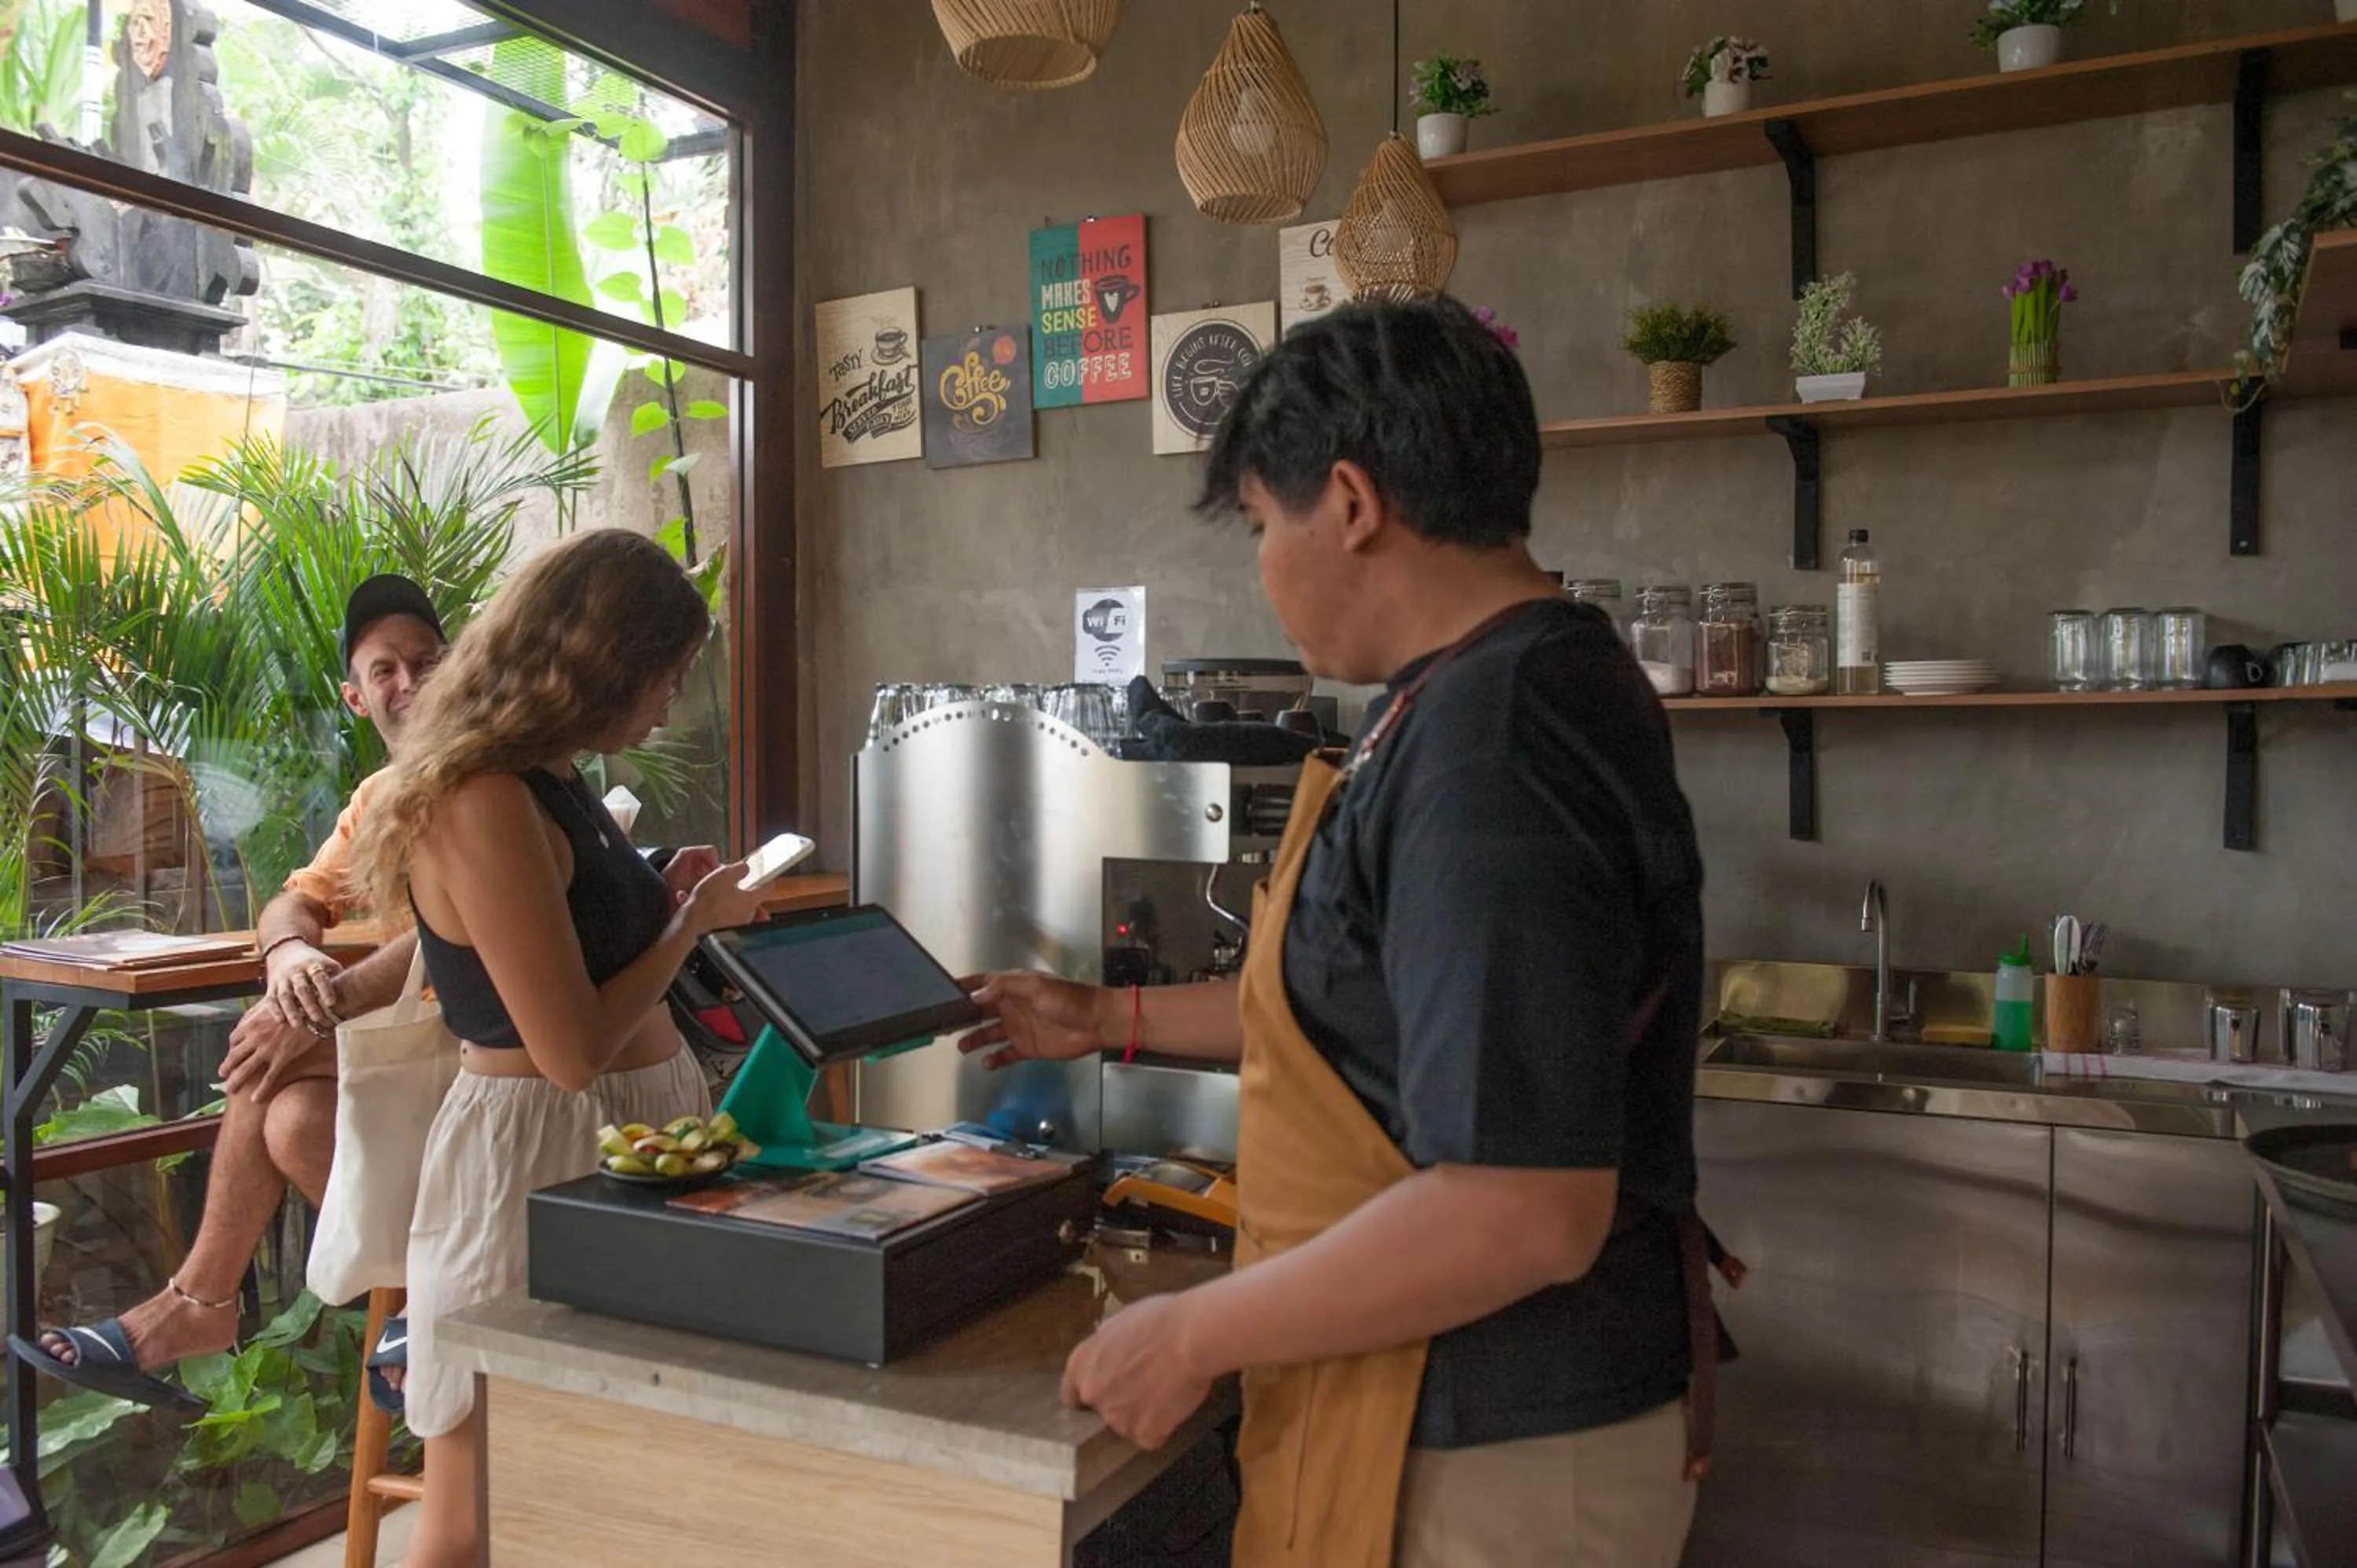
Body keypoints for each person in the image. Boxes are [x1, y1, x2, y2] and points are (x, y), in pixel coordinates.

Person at [963, 296, 1722, 1568]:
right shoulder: (1473, 694)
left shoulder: (1498, 736)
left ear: (1355, 505)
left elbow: (1522, 1210)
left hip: (1497, 1448)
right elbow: (1358, 1003)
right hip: (1446, 1409)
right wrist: (1108, 1018)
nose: (1262, 568)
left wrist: (1194, 1334)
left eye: (1264, 524)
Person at [348, 528, 771, 1568]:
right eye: (665, 678)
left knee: (610, 1476)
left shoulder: (556, 776)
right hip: (533, 1155)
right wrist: (691, 926)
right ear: (604, 662)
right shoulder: (483, 795)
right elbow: (569, 1044)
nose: (671, 704)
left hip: (622, 1137)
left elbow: (575, 953)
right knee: (471, 1498)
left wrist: (663, 899)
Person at [15, 576, 448, 1409]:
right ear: (357, 699)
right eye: (386, 670)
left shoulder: (484, 781)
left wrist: (321, 1009)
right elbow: (297, 897)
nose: (409, 684)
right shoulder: (380, 799)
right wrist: (288, 957)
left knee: (265, 1046)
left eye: (425, 662)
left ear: (458, 666)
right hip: (404, 1064)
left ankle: (201, 1304)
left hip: (483, 1059)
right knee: (288, 1117)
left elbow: (456, 932)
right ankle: (431, 1290)